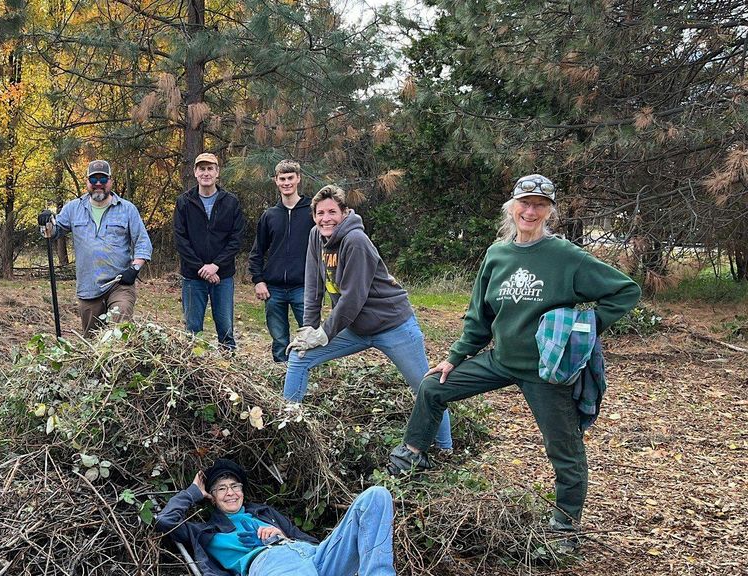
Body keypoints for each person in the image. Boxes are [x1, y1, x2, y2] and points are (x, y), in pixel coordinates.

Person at [388, 174, 640, 546]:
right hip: (501, 360)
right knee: (432, 386)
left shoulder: (566, 257)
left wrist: (582, 327)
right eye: (525, 203)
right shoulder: (498, 255)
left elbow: (625, 291)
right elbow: (480, 316)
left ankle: (565, 527)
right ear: (512, 207)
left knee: (565, 449)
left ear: (550, 211)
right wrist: (456, 357)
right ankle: (410, 461)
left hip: (546, 371)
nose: (531, 210)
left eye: (540, 204)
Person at [284, 185, 452, 452]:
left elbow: (353, 298)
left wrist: (325, 332)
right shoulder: (316, 236)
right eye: (320, 213)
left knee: (426, 390)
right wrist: (309, 328)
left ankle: (446, 449)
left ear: (344, 212)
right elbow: (313, 285)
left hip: (393, 326)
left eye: (332, 212)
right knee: (299, 356)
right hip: (355, 327)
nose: (326, 218)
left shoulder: (356, 241)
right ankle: (287, 427)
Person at [156, 458, 405, 576]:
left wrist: (284, 536)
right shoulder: (206, 531)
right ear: (211, 497)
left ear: (243, 491)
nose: (230, 493)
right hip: (272, 567)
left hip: (314, 558)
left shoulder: (266, 513)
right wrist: (192, 492)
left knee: (376, 496)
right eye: (221, 488)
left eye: (235, 486)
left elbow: (311, 542)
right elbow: (165, 522)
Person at [37, 160, 153, 335]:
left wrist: (134, 269)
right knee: (92, 340)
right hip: (89, 288)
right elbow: (52, 232)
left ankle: (118, 362)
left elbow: (143, 242)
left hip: (119, 283)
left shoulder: (127, 209)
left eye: (103, 179)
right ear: (87, 182)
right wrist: (46, 221)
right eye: (93, 179)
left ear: (110, 181)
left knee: (119, 332)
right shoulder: (73, 208)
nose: (98, 184)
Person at [174, 152, 245, 351]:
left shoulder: (230, 202)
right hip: (192, 277)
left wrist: (215, 266)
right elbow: (181, 240)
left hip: (222, 277)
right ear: (195, 172)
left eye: (210, 168)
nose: (206, 173)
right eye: (202, 169)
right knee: (192, 331)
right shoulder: (184, 202)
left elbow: (236, 238)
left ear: (217, 172)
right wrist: (201, 268)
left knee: (225, 330)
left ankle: (229, 369)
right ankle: (193, 372)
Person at [249, 160, 315, 362]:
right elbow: (257, 251)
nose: (286, 183)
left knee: (309, 336)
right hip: (274, 288)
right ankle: (280, 374)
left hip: (303, 286)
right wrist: (258, 280)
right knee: (279, 339)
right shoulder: (270, 215)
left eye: (290, 178)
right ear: (276, 181)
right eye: (282, 179)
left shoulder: (311, 211)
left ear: (298, 179)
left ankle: (308, 371)